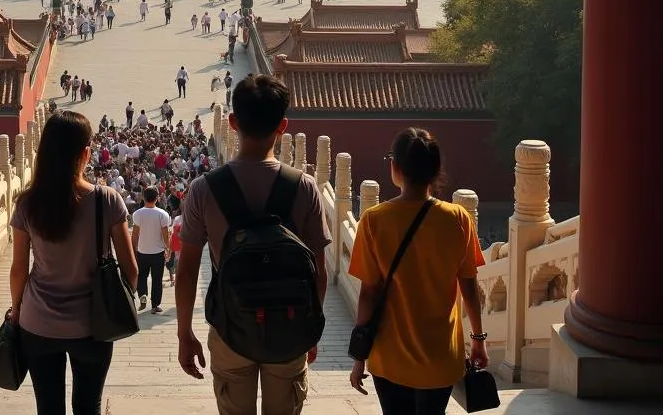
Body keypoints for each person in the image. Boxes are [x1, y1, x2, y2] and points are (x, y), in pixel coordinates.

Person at [176, 73, 329, 415]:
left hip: (231, 325)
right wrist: (311, 329)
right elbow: (319, 272)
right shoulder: (303, 187)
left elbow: (185, 272)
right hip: (290, 325)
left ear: (232, 122)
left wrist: (184, 334)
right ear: (283, 126)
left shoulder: (204, 189)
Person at [348, 127, 488, 415]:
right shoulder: (458, 218)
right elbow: (469, 286)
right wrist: (478, 339)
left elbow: (368, 295)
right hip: (440, 356)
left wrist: (359, 356)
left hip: (390, 357)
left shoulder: (374, 221)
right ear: (436, 170)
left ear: (395, 167)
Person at [9, 111, 138, 415]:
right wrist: (119, 304)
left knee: (48, 408)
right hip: (93, 323)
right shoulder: (107, 200)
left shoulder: (27, 204)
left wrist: (17, 311)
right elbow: (130, 269)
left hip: (38, 323)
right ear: (85, 153)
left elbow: (18, 270)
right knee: (87, 406)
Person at [131, 186, 172, 314]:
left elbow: (135, 235)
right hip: (158, 253)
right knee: (157, 279)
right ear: (157, 198)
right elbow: (166, 235)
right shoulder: (162, 214)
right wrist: (169, 249)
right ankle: (155, 305)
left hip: (142, 252)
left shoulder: (137, 214)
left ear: (143, 197)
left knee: (142, 275)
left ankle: (142, 294)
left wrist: (133, 250)